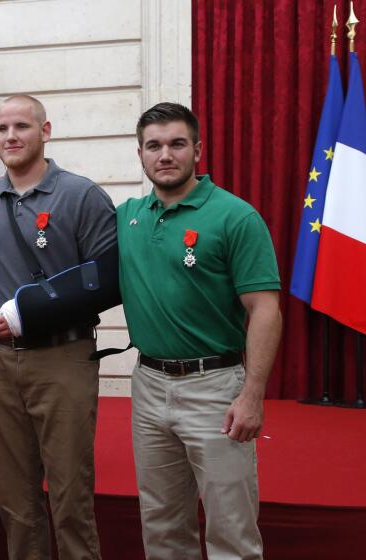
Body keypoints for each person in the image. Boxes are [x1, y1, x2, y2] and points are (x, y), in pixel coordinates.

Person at [118, 102, 282, 559]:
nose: (164, 154)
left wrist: (252, 395)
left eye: (176, 144)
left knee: (231, 528)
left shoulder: (235, 217)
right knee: (163, 525)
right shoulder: (128, 216)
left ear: (197, 150)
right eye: (154, 145)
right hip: (148, 386)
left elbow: (265, 310)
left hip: (216, 389)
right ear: (140, 154)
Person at [0, 95, 116, 559]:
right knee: (16, 501)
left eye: (22, 127)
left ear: (45, 131)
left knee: (71, 498)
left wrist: (32, 314)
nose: (10, 137)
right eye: (3, 129)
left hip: (62, 360)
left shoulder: (81, 195)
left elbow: (109, 282)